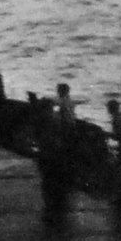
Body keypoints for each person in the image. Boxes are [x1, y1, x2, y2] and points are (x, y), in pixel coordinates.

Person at [37, 84, 78, 224]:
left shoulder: (62, 102)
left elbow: (55, 102)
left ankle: (52, 208)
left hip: (66, 130)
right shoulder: (69, 101)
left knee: (49, 181)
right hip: (69, 129)